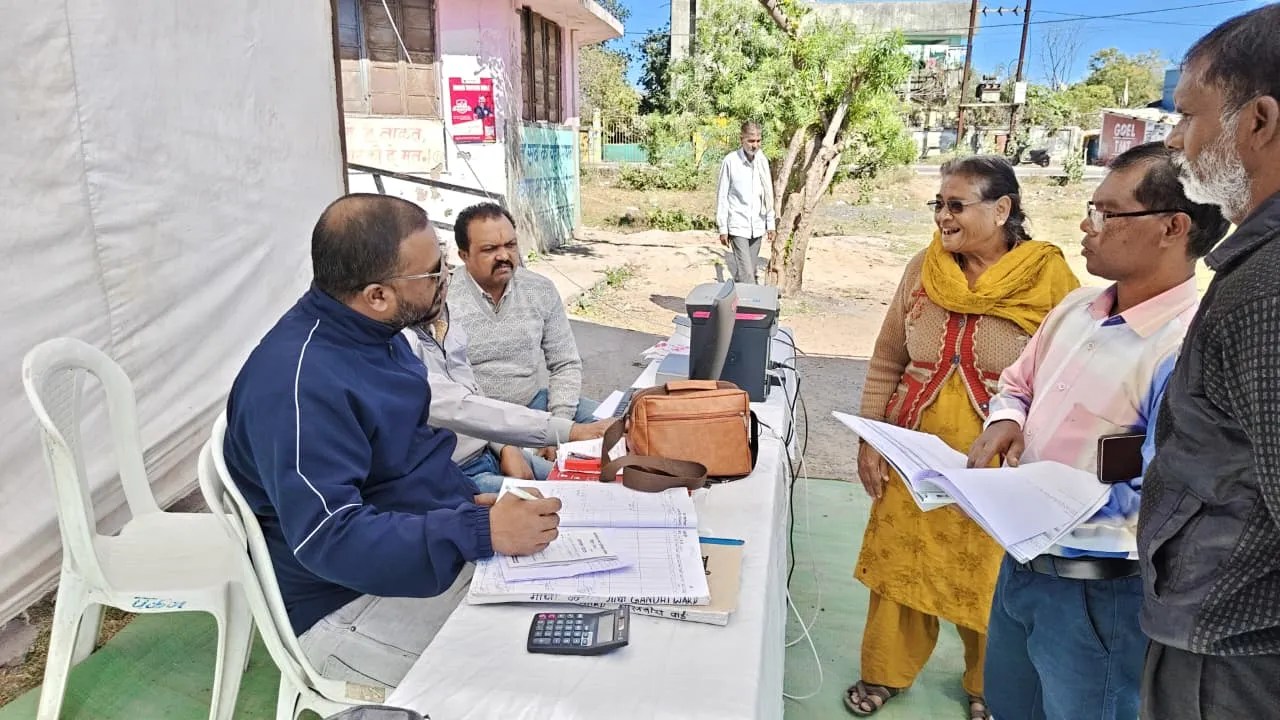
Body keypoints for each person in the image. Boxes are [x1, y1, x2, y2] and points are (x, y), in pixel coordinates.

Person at [222, 194, 562, 689]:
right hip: (341, 604)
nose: (447, 280)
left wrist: (471, 506)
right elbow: (330, 538)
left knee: (573, 625)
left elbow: (409, 459)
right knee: (533, 679)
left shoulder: (381, 336)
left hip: (418, 553)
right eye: (433, 273)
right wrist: (478, 533)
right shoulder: (300, 385)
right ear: (378, 294)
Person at [966, 143, 1230, 720]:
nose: (1087, 226)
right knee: (1012, 705)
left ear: (1173, 227)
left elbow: (1162, 492)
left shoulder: (1185, 349)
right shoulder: (1076, 310)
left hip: (1098, 593)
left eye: (1107, 213)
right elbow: (1017, 383)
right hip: (1024, 566)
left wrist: (1043, 497)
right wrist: (1008, 418)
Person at [846, 156, 1079, 719]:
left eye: (956, 205)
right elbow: (887, 359)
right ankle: (884, 672)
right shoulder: (922, 269)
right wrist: (870, 439)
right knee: (902, 565)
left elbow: (1070, 373)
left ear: (1002, 210)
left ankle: (986, 687)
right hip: (914, 451)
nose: (942, 218)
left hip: (997, 463)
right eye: (938, 205)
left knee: (988, 577)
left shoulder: (1050, 278)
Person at [1138, 6, 1280, 717]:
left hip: (1235, 651)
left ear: (1258, 122)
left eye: (1188, 115)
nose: (1174, 137)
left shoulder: (1270, 288)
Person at [404, 310, 612, 493]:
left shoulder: (442, 318)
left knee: (594, 487)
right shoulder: (401, 341)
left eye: (443, 277)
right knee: (561, 504)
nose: (440, 288)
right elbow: (459, 407)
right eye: (432, 277)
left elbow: (472, 391)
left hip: (497, 438)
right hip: (460, 467)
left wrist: (505, 446)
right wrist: (568, 432)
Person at [446, 202, 598, 428]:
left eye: (510, 245)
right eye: (490, 249)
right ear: (464, 255)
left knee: (618, 424)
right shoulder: (444, 299)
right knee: (533, 465)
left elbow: (565, 363)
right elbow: (443, 390)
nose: (503, 256)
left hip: (533, 406)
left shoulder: (539, 289)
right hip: (476, 423)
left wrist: (560, 424)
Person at [715, 121, 776, 284]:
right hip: (737, 224)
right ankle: (751, 307)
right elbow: (722, 196)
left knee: (748, 270)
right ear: (741, 139)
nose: (755, 145)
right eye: (751, 141)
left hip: (757, 225)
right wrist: (723, 228)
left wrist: (770, 224)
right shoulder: (731, 161)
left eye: (758, 141)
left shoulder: (762, 161)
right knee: (748, 274)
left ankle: (731, 303)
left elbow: (768, 193)